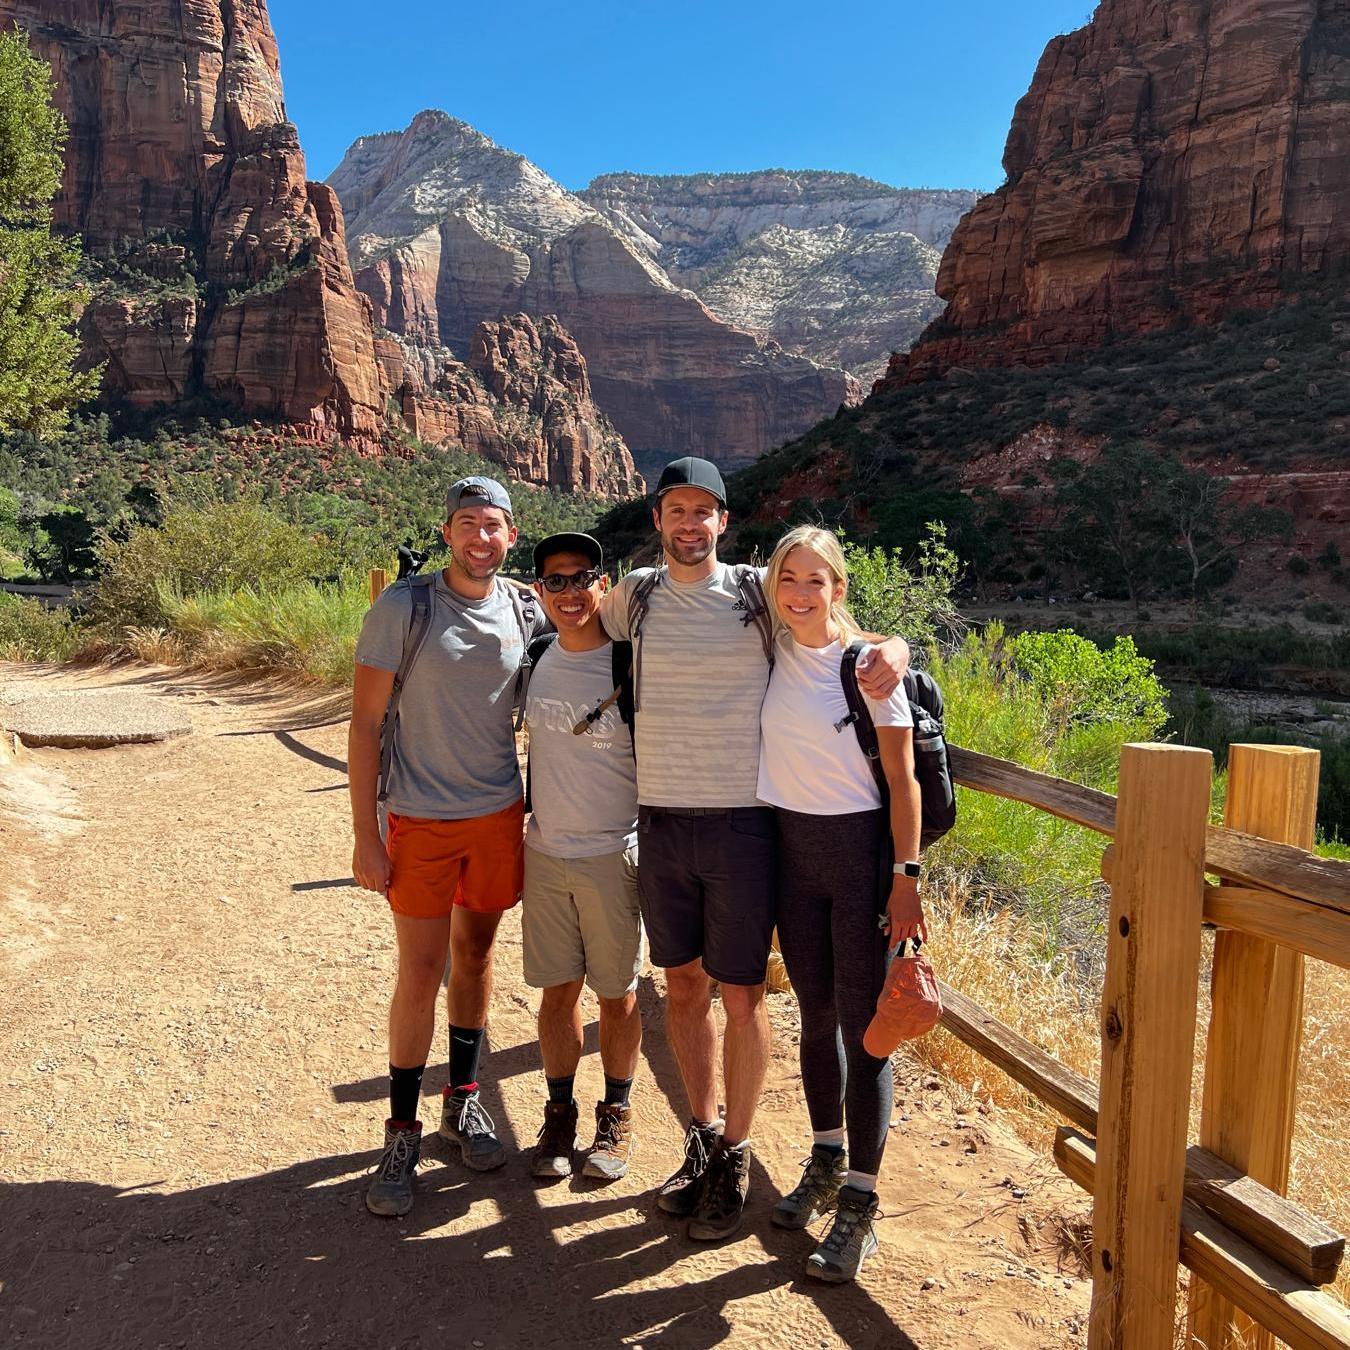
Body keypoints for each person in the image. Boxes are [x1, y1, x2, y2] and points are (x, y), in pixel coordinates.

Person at [599, 457, 911, 1242]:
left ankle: (741, 1153)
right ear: (659, 517)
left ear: (723, 521)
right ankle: (703, 1140)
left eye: (704, 510)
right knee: (681, 986)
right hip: (663, 818)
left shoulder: (753, 595)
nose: (689, 523)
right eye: (676, 509)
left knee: (743, 996)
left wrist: (897, 646)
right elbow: (570, 619)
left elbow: (834, 627)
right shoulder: (633, 596)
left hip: (744, 825)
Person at [349, 476, 548, 1217]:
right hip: (420, 819)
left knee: (475, 958)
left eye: (492, 525)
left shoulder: (525, 608)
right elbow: (365, 723)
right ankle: (400, 1129)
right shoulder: (406, 606)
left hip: (497, 813)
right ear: (446, 534)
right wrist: (366, 836)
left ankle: (462, 1099)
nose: (480, 538)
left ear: (510, 534)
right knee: (421, 968)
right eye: (467, 524)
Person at [757, 525, 925, 1282]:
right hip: (793, 860)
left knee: (865, 1032)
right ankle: (826, 1158)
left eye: (814, 581)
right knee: (814, 1015)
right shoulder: (768, 647)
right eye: (788, 578)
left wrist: (906, 877)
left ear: (839, 588)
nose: (799, 593)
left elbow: (904, 781)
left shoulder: (866, 671)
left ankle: (861, 1200)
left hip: (860, 864)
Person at [522, 532, 644, 1181]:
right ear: (541, 591)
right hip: (543, 851)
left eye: (581, 577)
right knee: (556, 992)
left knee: (617, 995)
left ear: (606, 583)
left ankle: (616, 1114)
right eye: (556, 581)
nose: (569, 592)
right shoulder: (536, 654)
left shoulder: (630, 662)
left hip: (611, 853)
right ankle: (560, 1114)